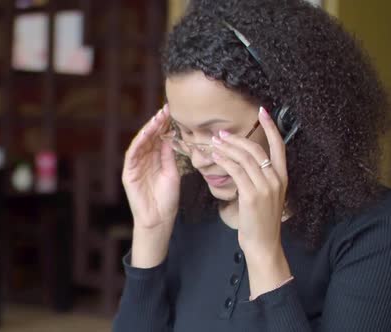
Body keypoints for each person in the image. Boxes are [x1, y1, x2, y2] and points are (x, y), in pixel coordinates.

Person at [113, 0, 391, 331]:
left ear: (289, 118)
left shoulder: (371, 228)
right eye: (183, 131)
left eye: (218, 133)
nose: (199, 158)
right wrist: (150, 232)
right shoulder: (186, 207)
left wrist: (263, 253)